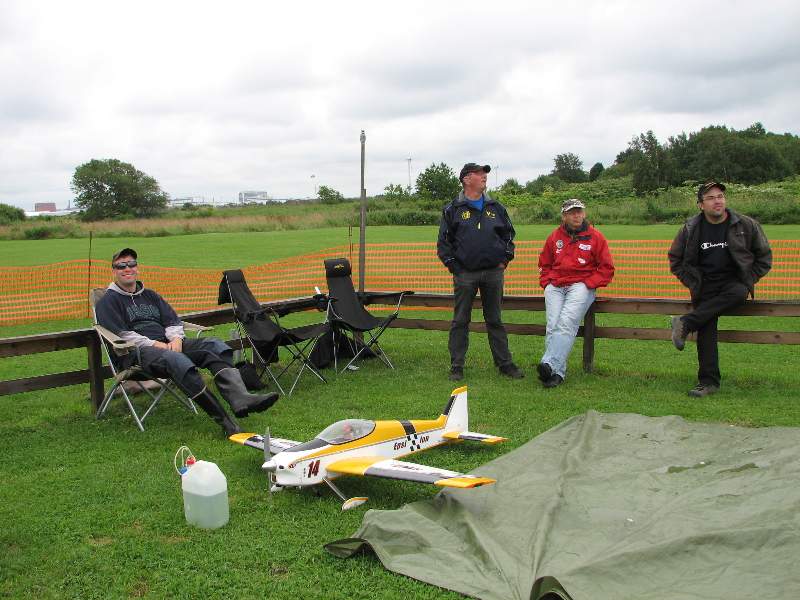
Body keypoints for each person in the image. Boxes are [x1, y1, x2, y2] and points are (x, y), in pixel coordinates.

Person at [95, 248, 279, 436]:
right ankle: (226, 422)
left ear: (137, 268)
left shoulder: (150, 295)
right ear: (114, 270)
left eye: (131, 264)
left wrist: (175, 338)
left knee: (213, 346)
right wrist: (157, 345)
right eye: (121, 265)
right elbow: (122, 335)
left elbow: (173, 320)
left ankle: (241, 399)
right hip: (135, 355)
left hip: (169, 346)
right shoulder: (108, 301)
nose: (127, 268)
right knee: (176, 360)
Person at [668, 182, 772, 397]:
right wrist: (692, 283)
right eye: (711, 198)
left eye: (720, 196)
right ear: (700, 204)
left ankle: (686, 322)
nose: (718, 201)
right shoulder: (690, 228)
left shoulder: (745, 225)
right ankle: (708, 383)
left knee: (738, 292)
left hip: (733, 283)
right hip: (704, 284)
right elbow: (675, 259)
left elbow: (764, 257)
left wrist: (749, 279)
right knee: (706, 328)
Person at [437, 162, 523, 381]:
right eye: (479, 173)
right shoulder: (452, 209)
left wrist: (504, 260)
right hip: (465, 274)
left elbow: (509, 235)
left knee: (495, 319)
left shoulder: (496, 207)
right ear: (466, 179)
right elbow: (444, 243)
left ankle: (505, 364)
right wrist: (455, 267)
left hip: (494, 273)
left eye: (485, 173)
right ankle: (457, 366)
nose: (484, 176)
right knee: (460, 320)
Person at [536, 199, 614, 388]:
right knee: (553, 325)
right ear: (564, 216)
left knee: (566, 323)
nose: (577, 215)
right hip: (555, 285)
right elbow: (544, 263)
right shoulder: (555, 237)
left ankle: (549, 364)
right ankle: (556, 373)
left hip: (581, 285)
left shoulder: (596, 237)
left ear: (584, 214)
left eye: (579, 211)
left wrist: (589, 284)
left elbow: (607, 268)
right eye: (572, 212)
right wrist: (547, 282)